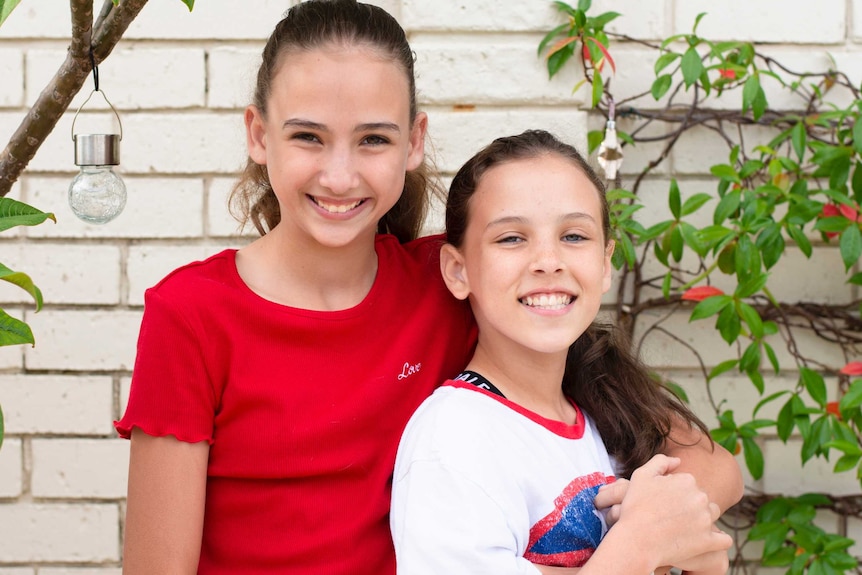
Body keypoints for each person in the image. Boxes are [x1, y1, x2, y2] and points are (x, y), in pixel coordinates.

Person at [115, 1, 741, 573]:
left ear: (414, 141)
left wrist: (620, 539)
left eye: (373, 140)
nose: (339, 174)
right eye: (308, 136)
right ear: (257, 135)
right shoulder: (192, 315)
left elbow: (712, 470)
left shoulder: (455, 284)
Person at [390, 129, 737, 575]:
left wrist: (688, 545)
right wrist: (640, 545)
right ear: (458, 270)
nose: (548, 260)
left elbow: (713, 481)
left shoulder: (598, 413)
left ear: (606, 263)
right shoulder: (453, 440)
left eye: (574, 236)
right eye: (512, 238)